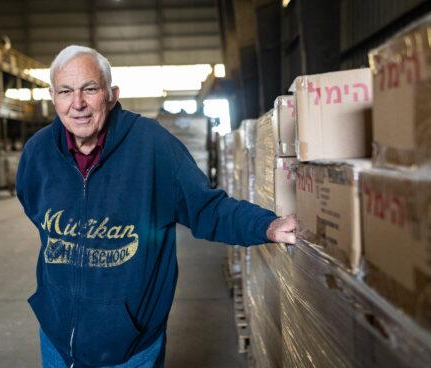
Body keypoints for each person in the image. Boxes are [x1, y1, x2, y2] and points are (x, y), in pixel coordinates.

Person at [15, 45, 296, 368]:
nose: (77, 104)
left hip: (131, 344)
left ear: (111, 93)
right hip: (57, 338)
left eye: (89, 89)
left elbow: (206, 208)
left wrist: (266, 225)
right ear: (53, 96)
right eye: (65, 91)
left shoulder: (153, 147)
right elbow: (32, 204)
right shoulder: (38, 152)